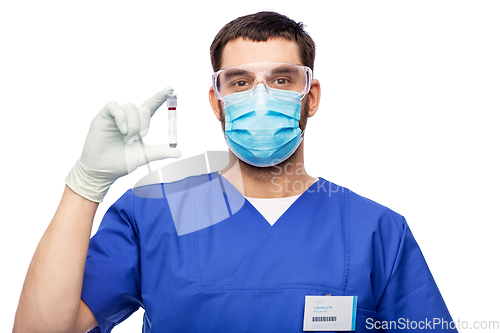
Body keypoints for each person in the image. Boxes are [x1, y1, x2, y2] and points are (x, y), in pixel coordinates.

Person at [13, 11, 457, 333]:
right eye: (240, 82)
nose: (260, 97)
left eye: (282, 79)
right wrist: (86, 183)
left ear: (312, 96)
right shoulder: (159, 215)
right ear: (216, 101)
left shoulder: (374, 229)